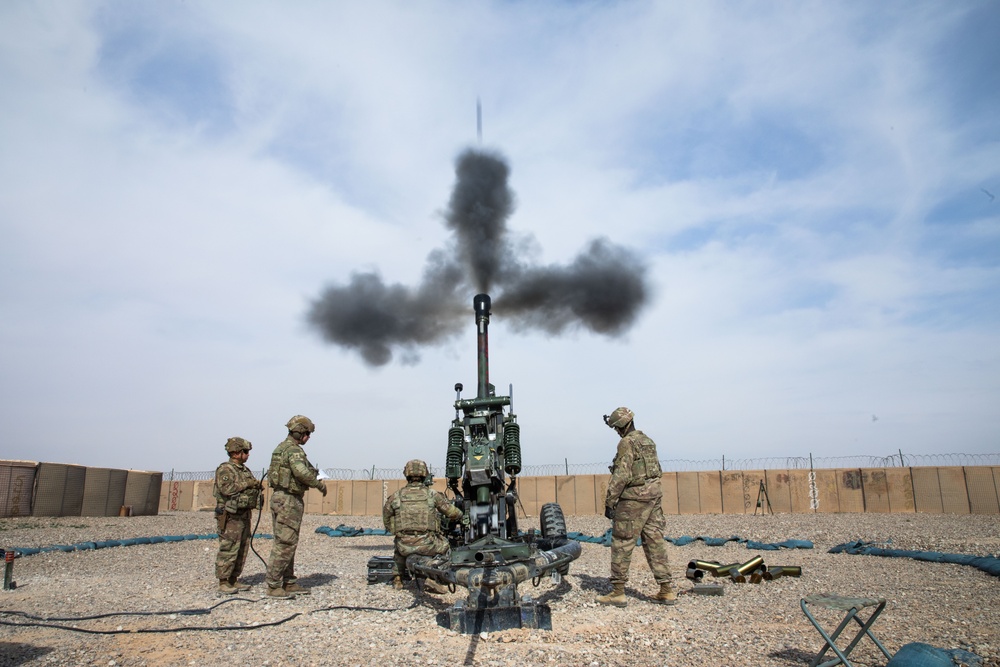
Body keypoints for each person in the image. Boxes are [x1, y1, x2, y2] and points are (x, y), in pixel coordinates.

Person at [597, 407, 676, 607]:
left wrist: (610, 501)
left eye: (616, 427)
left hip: (633, 498)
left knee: (622, 542)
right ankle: (666, 589)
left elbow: (622, 474)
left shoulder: (626, 443)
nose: (616, 431)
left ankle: (618, 591)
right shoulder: (648, 441)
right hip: (653, 496)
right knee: (654, 540)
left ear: (621, 426)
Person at [264, 415, 327, 598]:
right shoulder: (294, 450)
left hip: (281, 497)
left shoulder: (281, 449)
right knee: (285, 542)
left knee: (288, 540)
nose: (308, 437)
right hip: (289, 499)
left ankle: (288, 581)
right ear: (300, 432)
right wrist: (318, 484)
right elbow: (300, 472)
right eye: (307, 433)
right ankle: (274, 584)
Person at [382, 459, 464, 593]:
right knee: (447, 546)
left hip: (404, 546)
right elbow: (452, 512)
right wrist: (461, 515)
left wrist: (395, 531)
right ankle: (433, 577)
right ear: (424, 474)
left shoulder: (396, 496)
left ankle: (398, 578)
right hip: (428, 544)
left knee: (398, 547)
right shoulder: (432, 495)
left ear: (406, 474)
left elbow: (386, 517)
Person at [213, 436, 262, 594]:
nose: (247, 455)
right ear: (235, 453)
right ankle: (223, 581)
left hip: (243, 514)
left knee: (242, 547)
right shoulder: (225, 469)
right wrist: (248, 484)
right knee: (229, 547)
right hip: (230, 515)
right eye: (245, 452)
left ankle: (234, 579)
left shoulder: (244, 470)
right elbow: (227, 489)